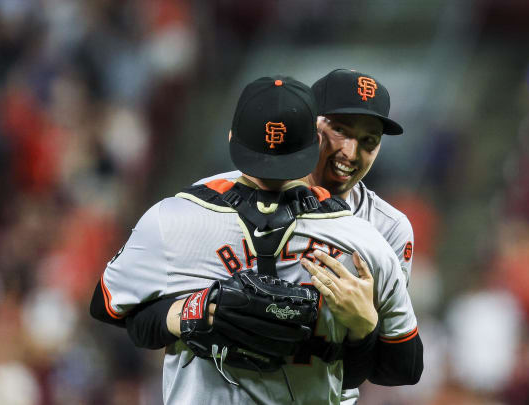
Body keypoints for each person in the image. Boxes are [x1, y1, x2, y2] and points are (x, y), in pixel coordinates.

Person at [90, 76, 422, 404]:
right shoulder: (194, 209)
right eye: (340, 131)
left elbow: (396, 367)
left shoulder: (383, 230)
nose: (349, 152)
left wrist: (364, 326)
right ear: (312, 129)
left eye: (369, 140)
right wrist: (190, 312)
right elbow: (127, 312)